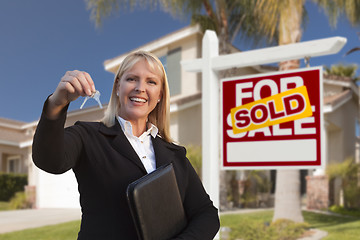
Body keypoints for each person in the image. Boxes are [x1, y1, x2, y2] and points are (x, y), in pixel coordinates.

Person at [32, 50, 220, 239]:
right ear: (117, 87)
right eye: (132, 79)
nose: (140, 88)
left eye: (151, 82)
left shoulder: (175, 154)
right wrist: (56, 103)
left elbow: (206, 213)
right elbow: (50, 161)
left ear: (160, 94)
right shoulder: (88, 136)